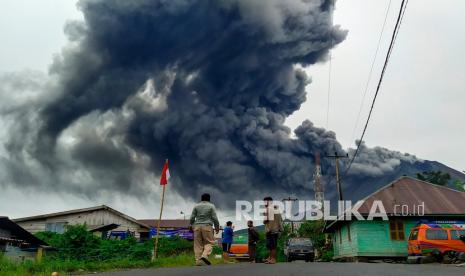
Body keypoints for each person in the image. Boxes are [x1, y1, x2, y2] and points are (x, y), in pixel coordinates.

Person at [189, 193, 220, 266]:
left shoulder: (196, 206)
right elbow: (214, 218)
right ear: (209, 199)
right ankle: (204, 256)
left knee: (197, 245)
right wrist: (217, 227)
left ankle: (198, 261)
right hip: (207, 226)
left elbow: (192, 218)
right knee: (210, 242)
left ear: (201, 199)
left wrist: (192, 225)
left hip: (197, 227)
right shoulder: (211, 206)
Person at [263, 196, 283, 264]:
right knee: (272, 246)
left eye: (265, 202)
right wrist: (280, 229)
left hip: (270, 230)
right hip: (276, 230)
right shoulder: (277, 209)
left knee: (272, 246)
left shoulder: (269, 209)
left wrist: (265, 217)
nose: (264, 203)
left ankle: (273, 259)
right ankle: (270, 258)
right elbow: (280, 220)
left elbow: (265, 220)